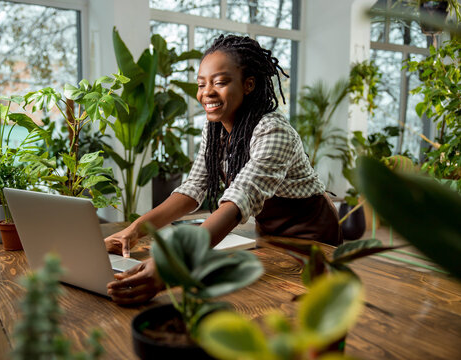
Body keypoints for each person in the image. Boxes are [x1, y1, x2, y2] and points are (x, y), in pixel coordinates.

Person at [105, 34, 342, 305]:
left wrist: (175, 264)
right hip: (270, 238)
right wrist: (133, 231)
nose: (207, 92)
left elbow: (238, 200)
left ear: (248, 85)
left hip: (314, 241)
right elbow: (192, 189)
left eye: (220, 82)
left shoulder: (274, 131)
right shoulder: (215, 129)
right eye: (202, 84)